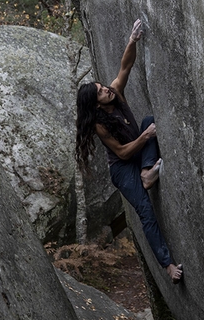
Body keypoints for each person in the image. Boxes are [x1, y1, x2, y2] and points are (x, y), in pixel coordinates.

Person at [76, 19, 182, 284]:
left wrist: (132, 39)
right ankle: (167, 264)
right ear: (95, 104)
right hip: (123, 168)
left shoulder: (116, 94)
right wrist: (145, 137)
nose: (106, 90)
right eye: (101, 92)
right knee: (145, 210)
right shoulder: (100, 125)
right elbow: (122, 153)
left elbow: (126, 65)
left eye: (103, 87)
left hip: (138, 155)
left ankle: (148, 173)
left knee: (147, 119)